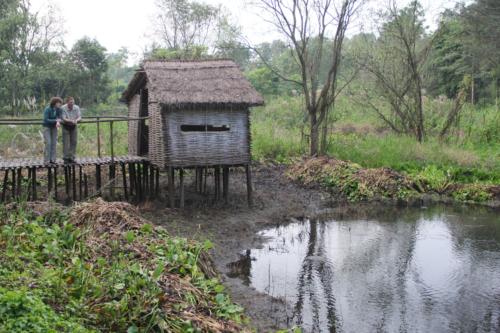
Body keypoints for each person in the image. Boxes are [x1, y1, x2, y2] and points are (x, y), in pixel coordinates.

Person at [61, 97, 81, 163]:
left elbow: (79, 117)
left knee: (74, 142)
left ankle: (72, 157)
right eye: (70, 102)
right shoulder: (63, 108)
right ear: (67, 103)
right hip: (66, 126)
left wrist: (76, 120)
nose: (72, 104)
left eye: (73, 102)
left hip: (74, 126)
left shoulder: (76, 107)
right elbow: (63, 118)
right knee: (66, 143)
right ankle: (66, 158)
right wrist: (71, 121)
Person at [43, 97, 62, 164]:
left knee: (54, 143)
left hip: (54, 128)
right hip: (47, 127)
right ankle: (46, 159)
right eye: (58, 103)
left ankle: (53, 159)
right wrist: (55, 120)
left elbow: (60, 117)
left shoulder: (59, 109)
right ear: (55, 103)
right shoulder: (48, 109)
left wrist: (58, 121)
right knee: (48, 143)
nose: (60, 104)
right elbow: (46, 119)